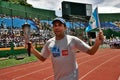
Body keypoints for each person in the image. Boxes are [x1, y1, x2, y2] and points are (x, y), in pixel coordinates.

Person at [25, 17, 104, 80]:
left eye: (59, 25)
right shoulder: (49, 43)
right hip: (57, 78)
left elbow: (91, 51)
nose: (57, 27)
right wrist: (32, 49)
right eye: (55, 25)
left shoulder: (73, 40)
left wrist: (97, 43)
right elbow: (42, 58)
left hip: (72, 77)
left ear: (65, 27)